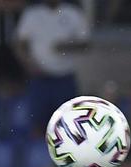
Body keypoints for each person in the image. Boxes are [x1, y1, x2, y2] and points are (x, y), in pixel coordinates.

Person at [14, 0, 90, 132]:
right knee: (37, 124)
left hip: (64, 77)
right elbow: (20, 44)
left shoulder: (73, 13)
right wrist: (28, 64)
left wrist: (67, 45)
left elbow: (85, 43)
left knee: (66, 125)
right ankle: (37, 152)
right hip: (40, 78)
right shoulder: (32, 14)